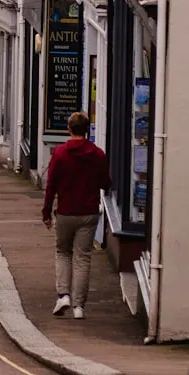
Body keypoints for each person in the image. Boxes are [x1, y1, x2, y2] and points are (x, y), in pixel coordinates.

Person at [42, 110, 111, 319]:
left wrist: (46, 212)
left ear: (69, 129)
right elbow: (105, 183)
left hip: (65, 212)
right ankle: (79, 307)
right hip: (88, 213)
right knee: (83, 258)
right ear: (87, 130)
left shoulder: (60, 154)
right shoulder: (98, 154)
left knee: (63, 252)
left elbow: (51, 186)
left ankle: (63, 295)